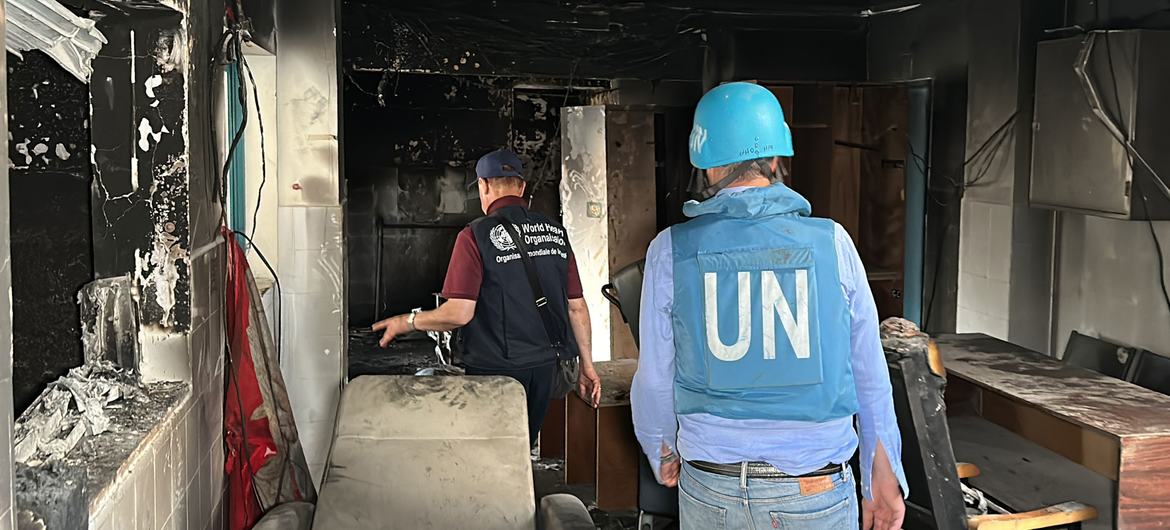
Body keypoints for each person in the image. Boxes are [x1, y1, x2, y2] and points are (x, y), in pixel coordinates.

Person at [630, 82, 907, 530]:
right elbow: (869, 373)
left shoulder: (669, 251)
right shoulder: (833, 243)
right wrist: (882, 477)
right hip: (812, 490)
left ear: (707, 165)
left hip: (710, 487)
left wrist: (661, 449)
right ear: (777, 159)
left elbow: (656, 379)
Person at [374, 148, 602, 447]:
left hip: (497, 369)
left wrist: (409, 321)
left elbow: (459, 313)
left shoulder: (475, 236)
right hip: (547, 366)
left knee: (492, 451)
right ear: (521, 187)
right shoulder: (555, 232)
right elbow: (577, 307)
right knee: (523, 445)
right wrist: (587, 366)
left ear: (482, 186)